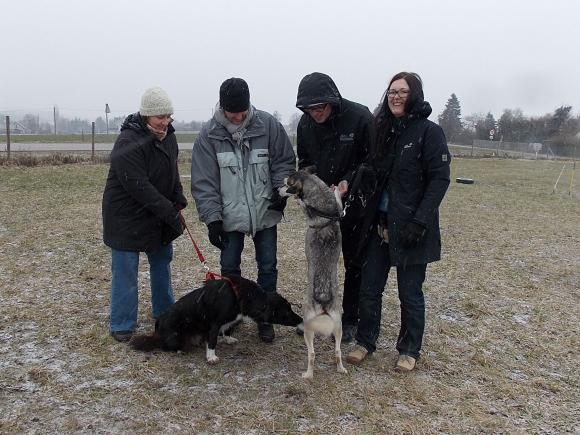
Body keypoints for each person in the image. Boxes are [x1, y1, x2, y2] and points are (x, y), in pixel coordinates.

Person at [346, 72, 451, 371]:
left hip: (411, 228)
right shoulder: (382, 130)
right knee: (369, 287)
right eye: (392, 91)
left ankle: (409, 349)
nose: (395, 96)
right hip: (379, 225)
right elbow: (373, 169)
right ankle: (365, 341)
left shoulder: (429, 132)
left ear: (414, 95)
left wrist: (419, 222)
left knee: (410, 293)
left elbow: (439, 180)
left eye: (403, 92)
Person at [190, 77, 296, 343]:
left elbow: (284, 161)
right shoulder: (209, 135)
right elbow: (204, 182)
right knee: (229, 270)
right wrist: (213, 220)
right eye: (232, 112)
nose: (238, 117)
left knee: (268, 266)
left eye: (242, 111)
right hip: (228, 216)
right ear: (222, 108)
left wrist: (279, 191)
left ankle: (266, 316)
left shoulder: (269, 125)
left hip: (264, 212)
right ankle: (229, 316)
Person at [102, 87, 187, 343]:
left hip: (158, 213)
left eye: (168, 116)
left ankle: (165, 311)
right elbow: (139, 187)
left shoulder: (169, 137)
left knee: (162, 262)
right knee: (126, 270)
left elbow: (172, 172)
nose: (165, 121)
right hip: (126, 216)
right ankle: (122, 322)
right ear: (146, 115)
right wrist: (169, 212)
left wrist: (179, 198)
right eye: (159, 116)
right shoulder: (128, 141)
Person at [295, 72, 375, 342]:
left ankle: (350, 318)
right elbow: (305, 161)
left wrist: (348, 183)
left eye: (320, 108)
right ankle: (318, 314)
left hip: (355, 205)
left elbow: (372, 161)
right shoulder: (305, 125)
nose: (315, 114)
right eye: (310, 109)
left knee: (354, 263)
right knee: (319, 265)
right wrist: (313, 183)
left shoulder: (360, 118)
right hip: (321, 210)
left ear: (333, 101)